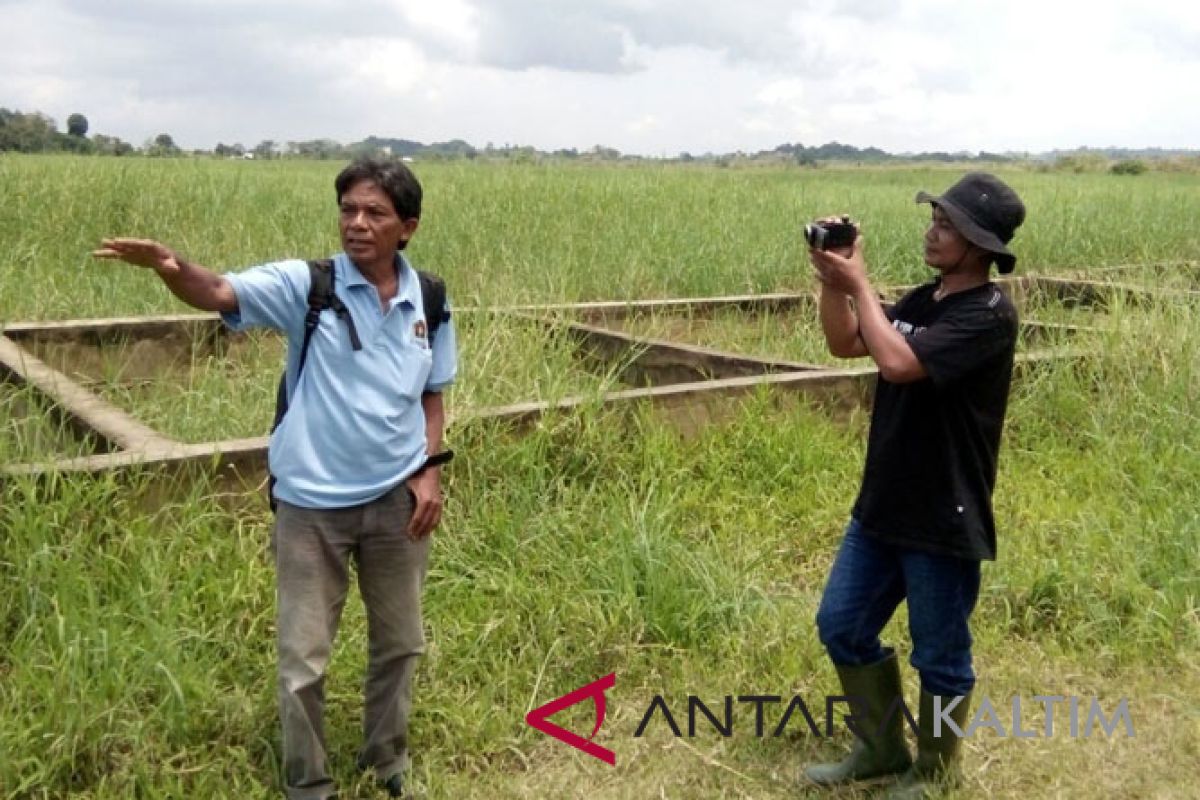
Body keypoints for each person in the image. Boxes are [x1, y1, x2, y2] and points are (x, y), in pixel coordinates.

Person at [93, 157, 457, 800]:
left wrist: (428, 471)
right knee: (303, 661)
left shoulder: (427, 298)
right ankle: (308, 784)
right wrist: (173, 270)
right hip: (311, 507)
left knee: (401, 644)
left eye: (375, 213)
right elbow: (221, 293)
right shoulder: (307, 286)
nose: (357, 224)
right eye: (348, 209)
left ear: (408, 227)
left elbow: (432, 394)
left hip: (396, 502)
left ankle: (387, 760)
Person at [802, 173, 1026, 798]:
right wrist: (833, 283)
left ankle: (933, 771)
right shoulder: (924, 302)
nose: (932, 230)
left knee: (940, 656)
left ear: (980, 245)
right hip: (884, 505)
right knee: (841, 624)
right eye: (935, 218)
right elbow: (847, 341)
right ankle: (878, 750)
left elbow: (899, 364)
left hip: (942, 515)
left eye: (947, 224)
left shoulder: (988, 314)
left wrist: (861, 285)